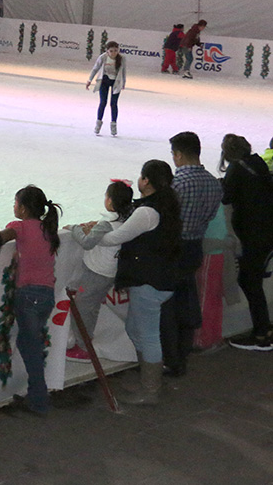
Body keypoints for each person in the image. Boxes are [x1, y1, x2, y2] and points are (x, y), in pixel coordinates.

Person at [96, 160, 182, 404]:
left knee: (147, 334)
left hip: (149, 281)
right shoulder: (165, 205)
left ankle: (151, 389)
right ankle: (150, 380)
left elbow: (115, 238)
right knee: (136, 329)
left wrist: (93, 234)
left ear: (146, 181)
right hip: (157, 277)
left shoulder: (147, 212)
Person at [160, 131, 222, 377]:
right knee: (187, 300)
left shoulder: (178, 184)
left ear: (178, 155)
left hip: (173, 248)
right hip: (195, 246)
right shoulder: (213, 182)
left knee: (167, 305)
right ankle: (182, 354)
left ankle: (171, 359)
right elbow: (209, 216)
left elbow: (163, 217)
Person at [0, 186, 61, 414]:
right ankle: (36, 394)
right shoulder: (48, 228)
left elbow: (0, 238)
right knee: (28, 343)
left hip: (28, 295)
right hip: (46, 295)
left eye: (15, 203)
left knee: (31, 348)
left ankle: (39, 400)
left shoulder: (20, 227)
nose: (13, 207)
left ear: (22, 208)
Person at [65, 180, 135, 361]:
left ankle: (83, 347)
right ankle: (85, 340)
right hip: (109, 273)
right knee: (91, 307)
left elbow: (87, 242)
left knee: (82, 308)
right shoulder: (126, 221)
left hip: (96, 273)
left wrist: (74, 228)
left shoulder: (106, 224)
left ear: (110, 201)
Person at [218, 134, 273, 350]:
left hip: (254, 234)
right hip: (266, 231)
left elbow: (226, 198)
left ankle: (262, 333)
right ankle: (263, 328)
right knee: (252, 279)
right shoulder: (258, 162)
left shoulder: (236, 169)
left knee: (250, 281)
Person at [85, 40, 126, 136]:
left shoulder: (122, 58)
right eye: (111, 51)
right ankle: (98, 124)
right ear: (107, 51)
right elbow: (95, 68)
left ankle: (113, 125)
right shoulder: (103, 57)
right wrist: (89, 80)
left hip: (116, 82)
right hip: (104, 81)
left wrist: (123, 82)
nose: (114, 53)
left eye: (116, 50)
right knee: (103, 102)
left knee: (114, 104)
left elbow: (124, 71)